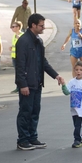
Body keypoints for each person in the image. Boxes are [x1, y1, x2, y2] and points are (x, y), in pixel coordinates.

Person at [15, 13, 64, 151]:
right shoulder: (23, 42)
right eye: (41, 25)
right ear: (33, 25)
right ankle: (22, 140)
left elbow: (43, 62)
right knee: (25, 111)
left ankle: (32, 137)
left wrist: (56, 76)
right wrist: (23, 84)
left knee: (35, 111)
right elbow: (20, 65)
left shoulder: (39, 41)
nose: (43, 28)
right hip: (27, 84)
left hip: (37, 83)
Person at [61, 60, 82, 148]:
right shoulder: (72, 82)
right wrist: (63, 84)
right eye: (76, 70)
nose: (78, 71)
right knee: (77, 125)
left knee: (79, 125)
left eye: (81, 69)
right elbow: (67, 92)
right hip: (74, 108)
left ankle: (77, 139)